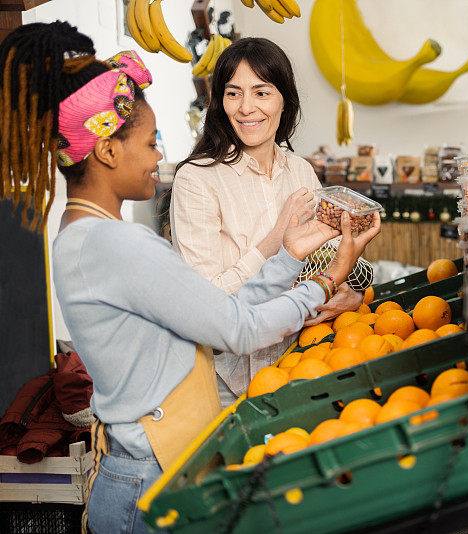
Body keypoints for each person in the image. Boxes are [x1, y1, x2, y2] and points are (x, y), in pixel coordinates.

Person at [0, 22, 379, 534]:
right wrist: (324, 280)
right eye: (152, 141)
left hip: (151, 469)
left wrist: (291, 257)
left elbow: (218, 312)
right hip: (148, 482)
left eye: (262, 92)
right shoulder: (122, 245)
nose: (161, 155)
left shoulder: (83, 236)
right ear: (108, 151)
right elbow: (235, 329)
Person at [170, 37, 364, 406]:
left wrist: (346, 294)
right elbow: (205, 304)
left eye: (261, 92)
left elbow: (324, 267)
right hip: (226, 381)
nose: (246, 108)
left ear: (284, 100)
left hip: (303, 362)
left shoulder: (301, 171)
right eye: (233, 93)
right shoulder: (197, 179)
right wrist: (276, 238)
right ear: (219, 102)